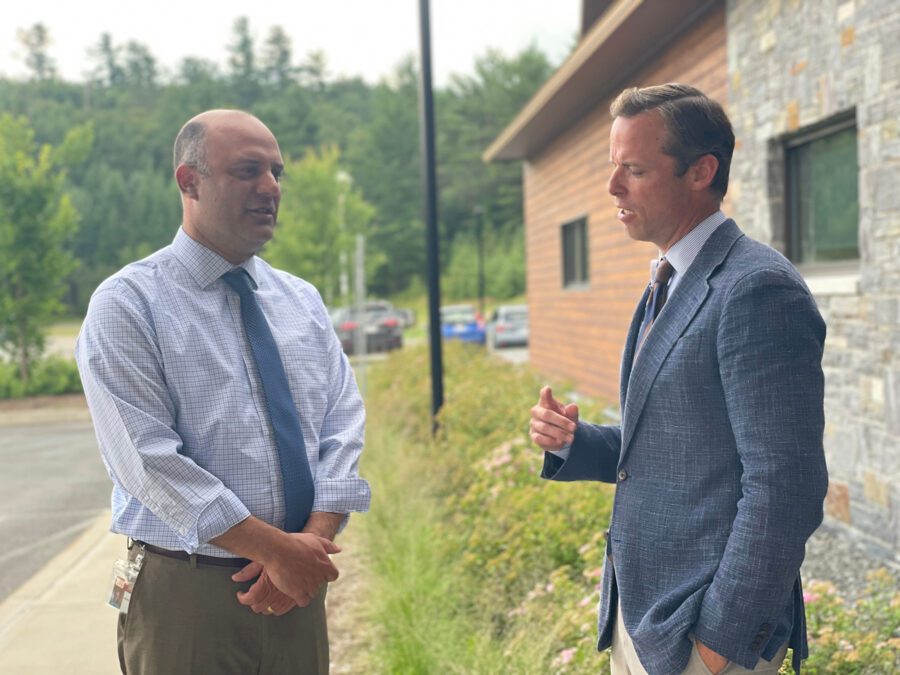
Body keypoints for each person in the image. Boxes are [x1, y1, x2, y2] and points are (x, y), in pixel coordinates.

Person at [529, 84, 827, 675]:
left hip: (703, 635)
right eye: (614, 168)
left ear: (701, 171)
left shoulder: (757, 289)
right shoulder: (668, 277)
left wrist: (720, 642)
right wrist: (574, 441)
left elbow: (787, 485)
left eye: (634, 170)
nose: (613, 187)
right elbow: (674, 444)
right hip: (642, 617)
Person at [76, 109, 370, 674]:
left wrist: (308, 545)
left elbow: (343, 423)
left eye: (277, 172)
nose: (269, 188)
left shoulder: (301, 301)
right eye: (247, 171)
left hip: (297, 588)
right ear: (190, 181)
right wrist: (275, 550)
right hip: (188, 598)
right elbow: (147, 462)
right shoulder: (129, 304)